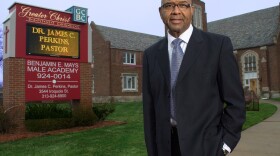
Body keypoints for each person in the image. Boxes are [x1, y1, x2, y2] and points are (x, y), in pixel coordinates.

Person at [142, 0, 246, 155]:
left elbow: (236, 103)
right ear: (160, 12)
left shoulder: (218, 46)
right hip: (165, 149)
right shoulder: (151, 55)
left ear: (191, 10)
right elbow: (149, 111)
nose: (176, 11)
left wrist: (225, 146)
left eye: (183, 5)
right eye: (169, 5)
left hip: (206, 148)